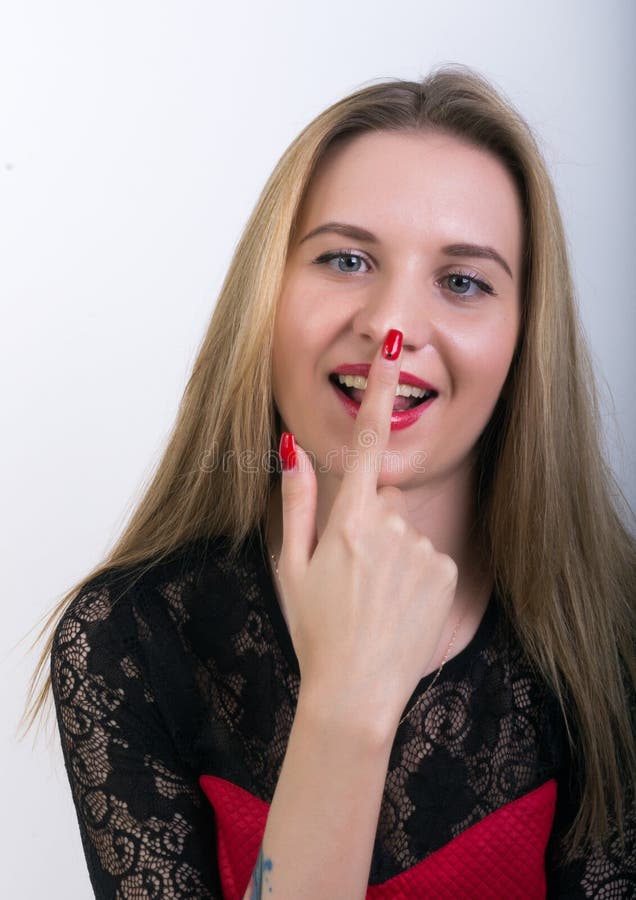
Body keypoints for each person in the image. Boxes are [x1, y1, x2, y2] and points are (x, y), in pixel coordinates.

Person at [22, 65, 635, 898]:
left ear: (528, 339)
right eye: (346, 259)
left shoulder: (617, 637)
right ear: (265, 300)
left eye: (463, 281)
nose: (389, 323)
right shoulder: (125, 641)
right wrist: (345, 707)